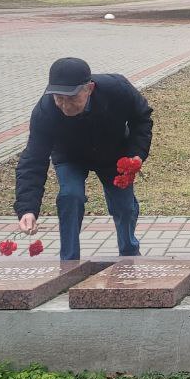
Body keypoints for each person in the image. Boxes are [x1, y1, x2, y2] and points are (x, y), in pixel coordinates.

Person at [15, 57, 153, 261]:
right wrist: (27, 208)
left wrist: (136, 154)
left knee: (124, 206)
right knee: (70, 196)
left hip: (113, 153)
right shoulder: (45, 112)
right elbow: (33, 159)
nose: (65, 105)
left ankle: (129, 252)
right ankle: (69, 261)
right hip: (70, 156)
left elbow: (142, 118)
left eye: (71, 98)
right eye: (59, 98)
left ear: (89, 88)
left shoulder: (117, 89)